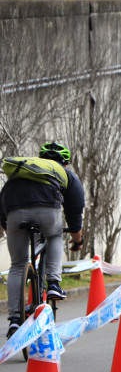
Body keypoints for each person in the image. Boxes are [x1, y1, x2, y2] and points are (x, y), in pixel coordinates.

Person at [1, 142, 85, 338]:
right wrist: (77, 239)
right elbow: (75, 209)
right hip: (47, 210)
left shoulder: (23, 168)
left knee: (17, 265)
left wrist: (5, 225)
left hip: (14, 210)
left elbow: (3, 198)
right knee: (54, 235)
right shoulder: (65, 173)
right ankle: (54, 283)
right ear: (65, 163)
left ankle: (14, 319)